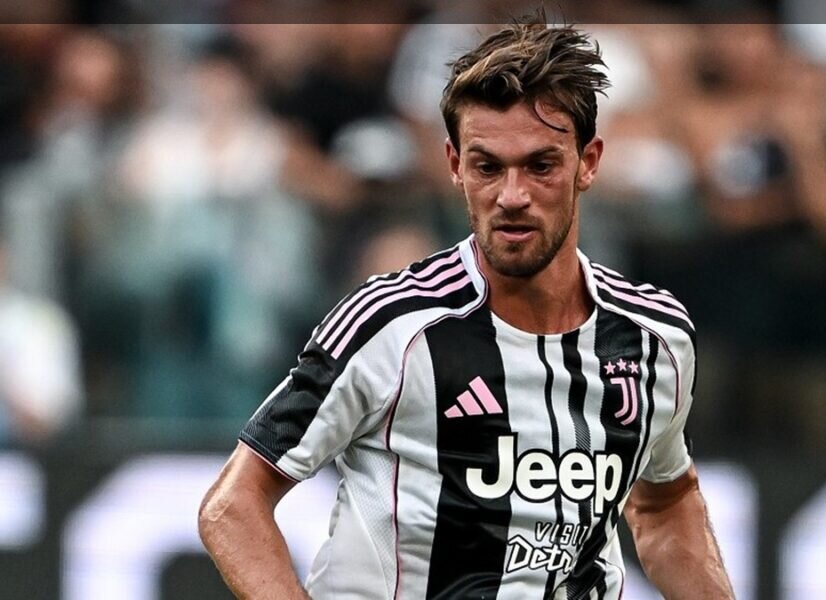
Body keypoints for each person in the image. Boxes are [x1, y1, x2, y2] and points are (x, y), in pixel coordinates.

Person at [199, 19, 734, 599]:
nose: (512, 196)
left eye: (540, 165)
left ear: (589, 162)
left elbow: (664, 504)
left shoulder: (653, 339)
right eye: (488, 167)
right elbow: (233, 505)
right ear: (455, 165)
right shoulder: (391, 325)